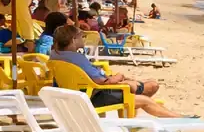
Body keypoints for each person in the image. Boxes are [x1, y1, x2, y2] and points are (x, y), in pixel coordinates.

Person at [50, 25, 188, 118]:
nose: (83, 39)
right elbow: (103, 81)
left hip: (75, 95)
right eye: (81, 37)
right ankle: (179, 118)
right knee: (146, 97)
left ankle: (132, 117)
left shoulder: (55, 55)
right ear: (73, 40)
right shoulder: (77, 58)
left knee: (142, 87)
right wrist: (119, 76)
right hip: (93, 96)